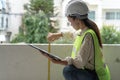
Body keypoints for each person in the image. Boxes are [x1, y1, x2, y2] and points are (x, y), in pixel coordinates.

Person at [45, 0, 111, 80]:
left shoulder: (88, 36)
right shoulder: (84, 32)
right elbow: (72, 34)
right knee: (70, 68)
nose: (71, 24)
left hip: (97, 76)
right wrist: (57, 35)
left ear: (77, 19)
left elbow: (80, 62)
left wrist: (59, 61)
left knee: (68, 70)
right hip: (92, 73)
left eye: (70, 22)